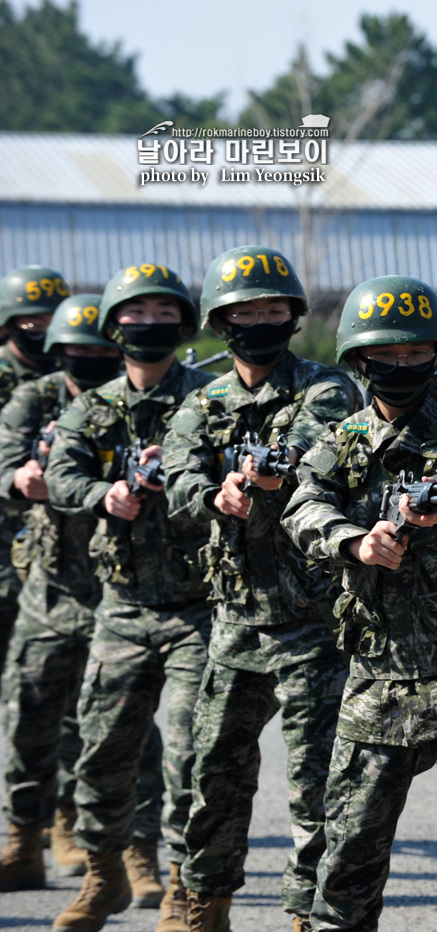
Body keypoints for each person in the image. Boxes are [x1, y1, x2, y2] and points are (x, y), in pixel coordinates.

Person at [281, 275, 437, 932]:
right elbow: (302, 507)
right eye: (388, 355)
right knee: (345, 865)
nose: (404, 366)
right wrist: (357, 541)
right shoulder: (345, 439)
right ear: (360, 360)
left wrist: (436, 516)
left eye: (417, 353)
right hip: (376, 679)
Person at [162, 246, 361, 932]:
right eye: (245, 311)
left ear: (294, 316)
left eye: (273, 309)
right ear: (221, 321)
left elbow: (316, 448)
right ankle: (204, 902)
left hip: (314, 620)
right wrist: (216, 494)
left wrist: (267, 480)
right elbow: (178, 484)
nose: (260, 320)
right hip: (237, 620)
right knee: (213, 773)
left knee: (318, 787)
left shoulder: (327, 387)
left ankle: (308, 914)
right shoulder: (202, 403)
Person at [46, 263, 217, 932]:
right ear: (115, 325)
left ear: (183, 322)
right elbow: (62, 473)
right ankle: (104, 875)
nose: (150, 326)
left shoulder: (209, 398)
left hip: (198, 607)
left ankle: (181, 885)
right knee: (101, 754)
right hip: (120, 608)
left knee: (187, 758)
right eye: (136, 314)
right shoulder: (91, 407)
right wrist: (103, 495)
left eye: (163, 314)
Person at [0, 295, 165, 900]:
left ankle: (124, 847)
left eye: (102, 349)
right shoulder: (36, 398)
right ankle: (24, 839)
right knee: (30, 715)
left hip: (122, 588)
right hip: (49, 583)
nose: (90, 360)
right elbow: (5, 459)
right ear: (57, 352)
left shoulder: (141, 402)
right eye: (77, 351)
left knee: (124, 726)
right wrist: (17, 477)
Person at [0, 265, 71, 675]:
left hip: (62, 537)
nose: (42, 329)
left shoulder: (80, 370)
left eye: (52, 320)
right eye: (32, 321)